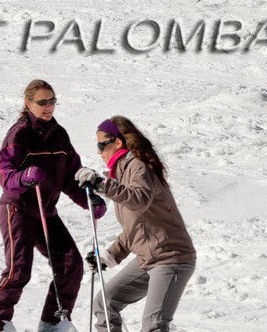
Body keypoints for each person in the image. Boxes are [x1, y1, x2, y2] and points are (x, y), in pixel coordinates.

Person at [0, 80, 102, 332]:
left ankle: (53, 324)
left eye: (52, 101)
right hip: (18, 209)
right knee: (18, 270)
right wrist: (23, 177)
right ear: (28, 103)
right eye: (42, 102)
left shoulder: (59, 135)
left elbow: (70, 175)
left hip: (46, 212)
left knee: (71, 264)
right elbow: (4, 172)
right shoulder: (19, 134)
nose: (48, 107)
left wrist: (88, 199)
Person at [76, 117, 196, 332]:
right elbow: (138, 226)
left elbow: (138, 199)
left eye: (101, 145)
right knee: (105, 302)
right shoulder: (122, 173)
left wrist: (102, 184)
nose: (98, 152)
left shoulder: (138, 167)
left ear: (118, 143)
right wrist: (109, 255)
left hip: (171, 258)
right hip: (147, 259)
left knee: (154, 325)